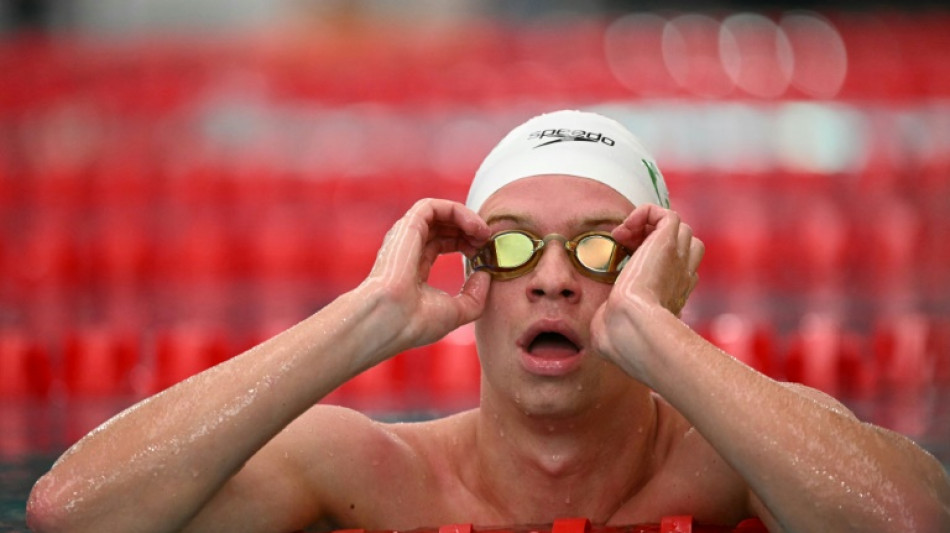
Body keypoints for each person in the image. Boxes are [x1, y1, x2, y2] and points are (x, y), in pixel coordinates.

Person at [27, 110, 950, 533]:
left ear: (651, 274)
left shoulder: (743, 462)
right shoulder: (372, 474)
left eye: (598, 248)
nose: (551, 279)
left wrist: (662, 336)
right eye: (511, 245)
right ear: (472, 271)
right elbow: (72, 513)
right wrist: (365, 315)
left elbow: (912, 520)